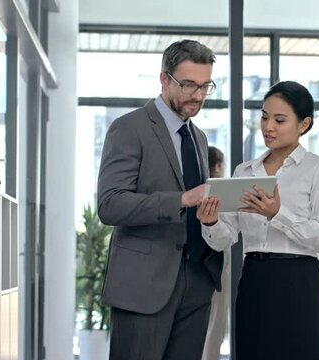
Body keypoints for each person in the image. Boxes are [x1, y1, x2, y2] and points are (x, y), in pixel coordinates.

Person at [96, 39, 224, 360]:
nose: (197, 95)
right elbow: (110, 204)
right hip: (144, 285)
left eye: (205, 86)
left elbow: (195, 204)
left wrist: (209, 212)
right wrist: (180, 200)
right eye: (189, 85)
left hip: (197, 281)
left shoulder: (198, 137)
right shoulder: (129, 128)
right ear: (164, 79)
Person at [197, 81, 319, 360]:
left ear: (304, 123)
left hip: (299, 283)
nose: (268, 127)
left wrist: (277, 214)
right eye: (264, 117)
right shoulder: (244, 172)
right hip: (254, 280)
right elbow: (227, 237)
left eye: (279, 119)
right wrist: (211, 222)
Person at [202, 146, 229, 360]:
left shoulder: (195, 190)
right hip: (219, 266)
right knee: (216, 325)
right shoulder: (222, 194)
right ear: (218, 166)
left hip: (197, 266)